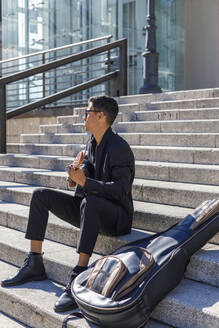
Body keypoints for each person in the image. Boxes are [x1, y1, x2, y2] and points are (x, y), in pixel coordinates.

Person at [1, 96, 135, 313]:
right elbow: (91, 175)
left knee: (90, 203)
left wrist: (86, 181)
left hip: (116, 218)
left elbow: (120, 191)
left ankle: (78, 273)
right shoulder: (92, 142)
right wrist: (77, 174)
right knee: (40, 195)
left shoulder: (120, 148)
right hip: (89, 208)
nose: (83, 117)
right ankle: (35, 262)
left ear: (101, 116)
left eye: (87, 112)